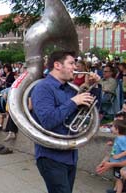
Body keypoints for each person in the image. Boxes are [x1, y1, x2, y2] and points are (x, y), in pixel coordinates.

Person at [31, 51, 97, 193]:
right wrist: (73, 102)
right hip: (51, 156)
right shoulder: (43, 88)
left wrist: (93, 86)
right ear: (57, 65)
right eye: (71, 63)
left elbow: (89, 111)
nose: (75, 67)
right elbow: (48, 120)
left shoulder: (70, 89)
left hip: (70, 154)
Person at [99, 120, 126, 193]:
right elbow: (118, 147)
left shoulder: (123, 139)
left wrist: (118, 156)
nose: (111, 128)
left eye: (113, 126)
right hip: (116, 162)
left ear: (117, 129)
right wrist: (112, 144)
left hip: (119, 162)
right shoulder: (118, 138)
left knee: (119, 180)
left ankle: (118, 191)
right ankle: (115, 190)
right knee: (117, 178)